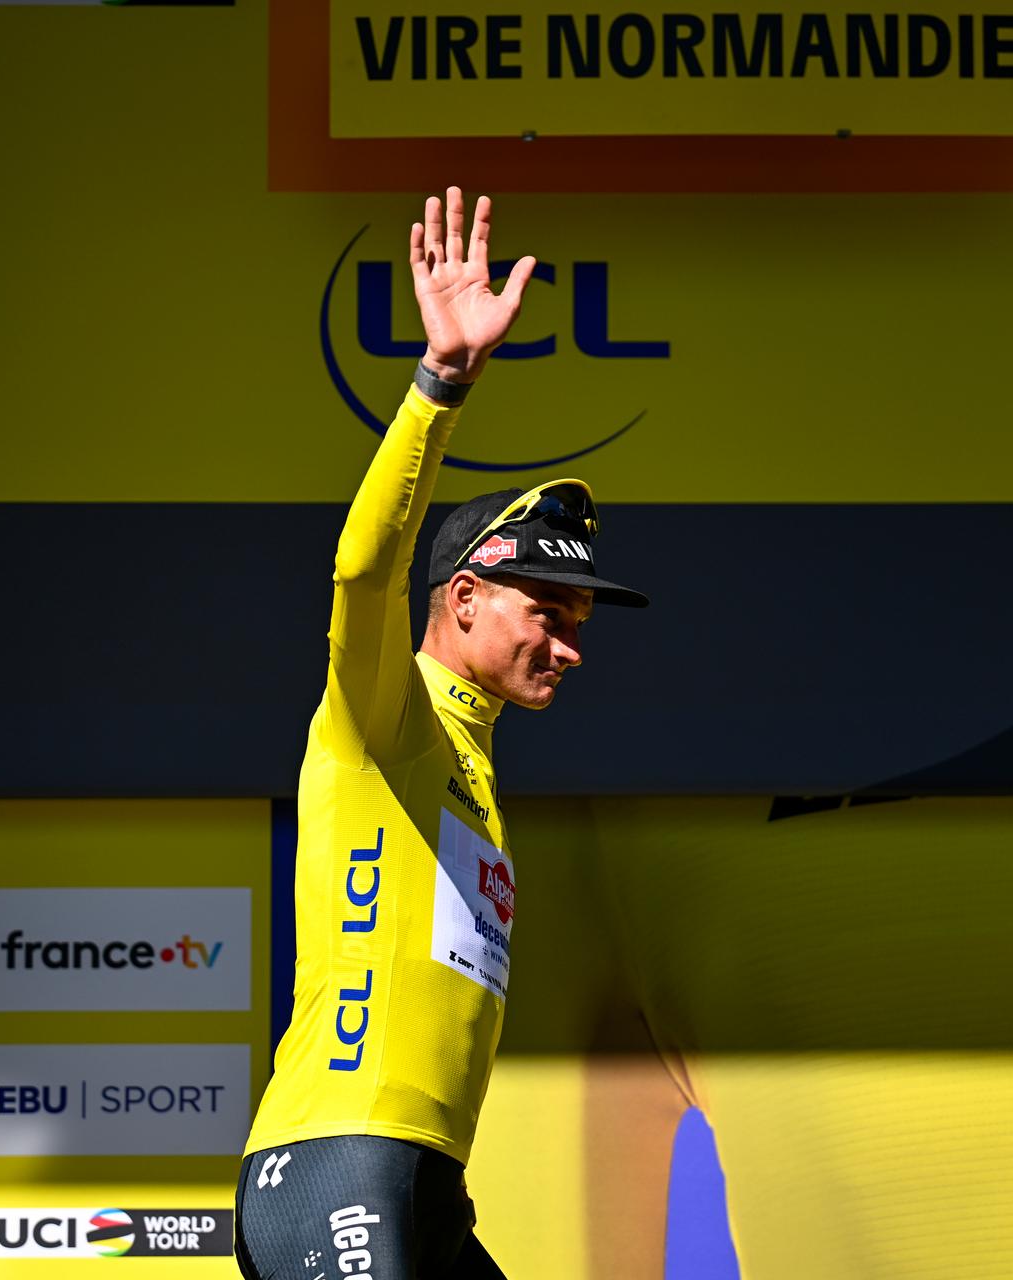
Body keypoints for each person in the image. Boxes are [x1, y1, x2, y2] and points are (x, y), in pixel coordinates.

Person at [232, 188, 648, 1279]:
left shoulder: (470, 760)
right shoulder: (387, 712)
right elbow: (363, 569)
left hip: (421, 1181)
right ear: (462, 599)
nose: (567, 645)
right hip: (337, 1157)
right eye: (544, 614)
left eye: (578, 624)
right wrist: (440, 385)